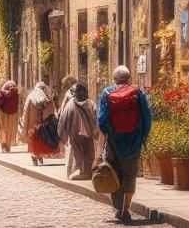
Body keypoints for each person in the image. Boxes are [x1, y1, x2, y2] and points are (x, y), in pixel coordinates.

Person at [98, 66, 152, 224]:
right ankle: (126, 209)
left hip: (114, 142)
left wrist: (108, 133)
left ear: (114, 78)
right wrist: (142, 136)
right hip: (133, 142)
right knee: (130, 176)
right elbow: (147, 118)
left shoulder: (107, 93)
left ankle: (117, 208)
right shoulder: (138, 93)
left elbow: (102, 120)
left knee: (114, 174)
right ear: (129, 77)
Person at [57, 82, 99, 180]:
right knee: (89, 153)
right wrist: (96, 132)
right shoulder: (91, 103)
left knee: (76, 153)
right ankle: (87, 172)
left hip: (74, 134)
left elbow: (63, 120)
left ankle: (78, 171)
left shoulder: (70, 104)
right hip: (89, 134)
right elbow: (96, 118)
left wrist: (62, 136)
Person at [19, 81, 57, 165]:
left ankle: (34, 157)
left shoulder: (30, 97)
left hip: (32, 124)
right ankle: (39, 156)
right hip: (42, 123)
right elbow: (50, 111)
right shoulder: (46, 97)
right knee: (41, 139)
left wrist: (24, 123)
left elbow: (26, 111)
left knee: (33, 140)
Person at [0, 80, 19, 153]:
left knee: (2, 129)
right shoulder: (16, 93)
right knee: (10, 130)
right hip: (13, 114)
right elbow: (18, 104)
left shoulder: (2, 93)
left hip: (2, 114)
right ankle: (8, 146)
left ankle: (3, 146)